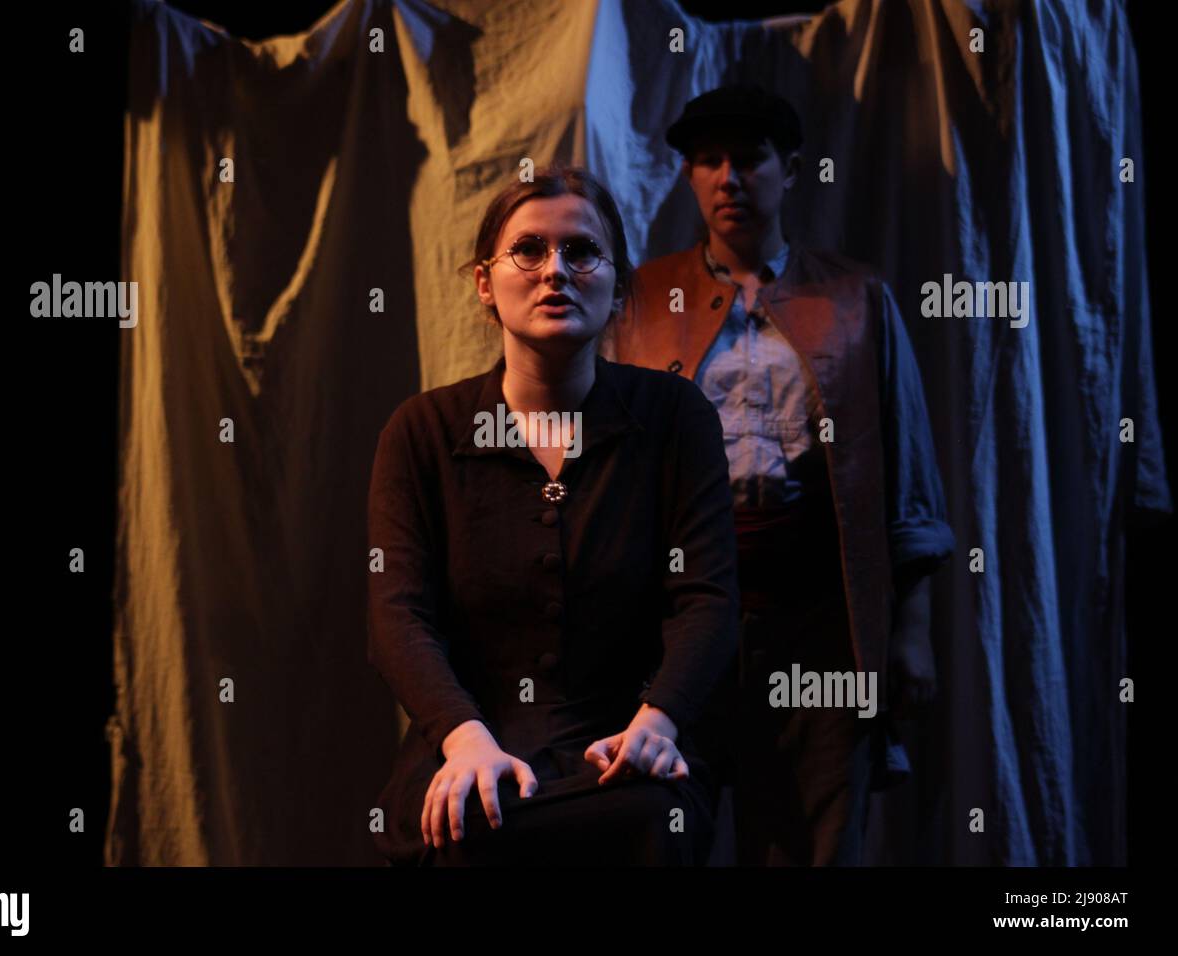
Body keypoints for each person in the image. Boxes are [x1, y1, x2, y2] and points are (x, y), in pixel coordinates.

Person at [604, 84, 955, 865]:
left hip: (818, 621)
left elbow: (906, 473)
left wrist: (912, 631)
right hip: (678, 623)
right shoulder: (640, 301)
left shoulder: (857, 298)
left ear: (790, 169)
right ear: (690, 177)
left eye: (750, 158)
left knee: (816, 842)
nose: (730, 177)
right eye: (708, 161)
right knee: (658, 833)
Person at [367, 165, 741, 865]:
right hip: (473, 740)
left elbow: (708, 600)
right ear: (484, 282)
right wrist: (464, 738)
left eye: (582, 251)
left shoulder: (674, 417)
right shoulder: (421, 430)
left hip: (626, 746)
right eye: (529, 250)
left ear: (618, 284)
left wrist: (658, 721)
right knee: (457, 825)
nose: (555, 272)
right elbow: (397, 617)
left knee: (654, 821)